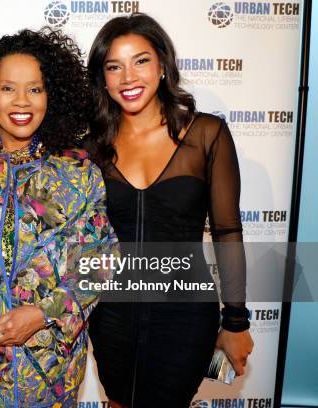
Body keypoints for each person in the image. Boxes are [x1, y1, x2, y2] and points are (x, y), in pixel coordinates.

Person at [0, 28, 116, 407]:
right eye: (8, 88)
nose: (22, 101)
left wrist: (43, 313)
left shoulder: (76, 172)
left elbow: (102, 261)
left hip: (52, 372)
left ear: (52, 95)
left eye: (36, 88)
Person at [84, 13, 254, 408]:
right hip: (111, 315)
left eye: (140, 60)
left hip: (185, 315)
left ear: (162, 64)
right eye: (114, 66)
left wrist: (235, 321)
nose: (128, 77)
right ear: (103, 78)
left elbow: (228, 230)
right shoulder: (91, 147)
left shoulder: (206, 134)